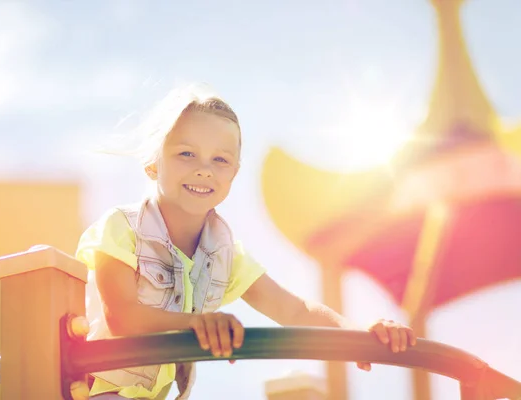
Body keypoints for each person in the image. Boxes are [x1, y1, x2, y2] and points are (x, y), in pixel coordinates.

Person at [76, 84, 417, 400]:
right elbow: (122, 317)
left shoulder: (224, 254)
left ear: (234, 172)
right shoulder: (121, 227)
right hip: (100, 393)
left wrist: (357, 331)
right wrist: (199, 323)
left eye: (220, 159)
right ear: (153, 163)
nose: (204, 169)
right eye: (186, 154)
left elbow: (292, 309)